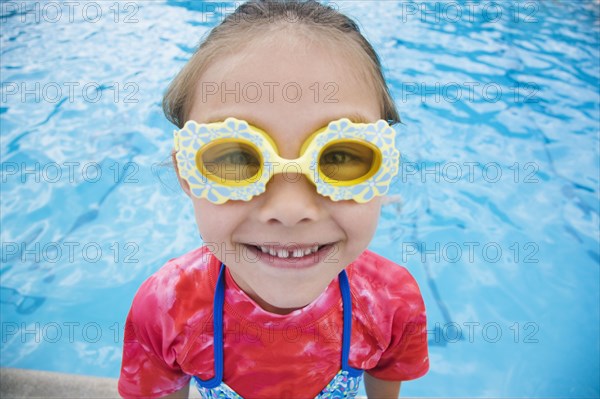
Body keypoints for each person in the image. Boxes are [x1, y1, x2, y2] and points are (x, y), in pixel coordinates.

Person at [118, 1, 429, 398]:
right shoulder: (163, 309)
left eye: (339, 156)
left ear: (384, 169)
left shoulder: (392, 300)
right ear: (186, 174)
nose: (289, 211)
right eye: (235, 157)